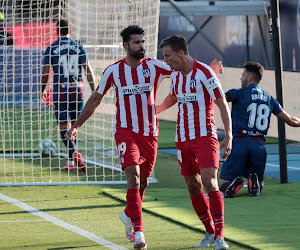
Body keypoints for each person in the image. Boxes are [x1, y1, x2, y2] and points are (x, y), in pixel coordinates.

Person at [157, 35, 232, 250]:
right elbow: (173, 97)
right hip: (182, 138)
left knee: (210, 182)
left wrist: (228, 135)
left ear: (181, 53)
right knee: (193, 186)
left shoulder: (205, 73)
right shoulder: (176, 76)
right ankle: (209, 231)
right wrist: (156, 110)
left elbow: (221, 104)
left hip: (205, 136)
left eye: (168, 55)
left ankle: (220, 237)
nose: (166, 60)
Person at [219, 62, 300, 198]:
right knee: (258, 183)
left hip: (239, 143)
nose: (241, 78)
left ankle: (232, 185)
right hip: (259, 146)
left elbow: (219, 98)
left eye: (243, 75)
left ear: (250, 77)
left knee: (223, 184)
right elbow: (291, 120)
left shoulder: (238, 93)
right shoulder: (269, 99)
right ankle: (254, 183)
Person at [41, 19, 95, 172]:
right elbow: (88, 71)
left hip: (61, 92)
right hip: (78, 91)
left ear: (56, 31)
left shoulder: (52, 48)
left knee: (64, 127)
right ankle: (71, 161)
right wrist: (94, 91)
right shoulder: (79, 47)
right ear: (70, 31)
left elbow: (45, 73)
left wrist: (42, 89)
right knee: (74, 127)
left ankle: (74, 154)